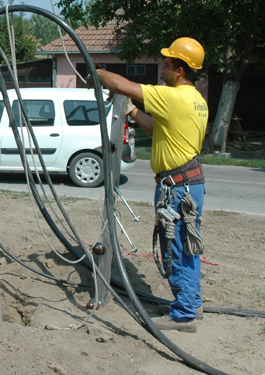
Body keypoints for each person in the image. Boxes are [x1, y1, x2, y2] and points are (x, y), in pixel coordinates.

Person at [96, 37, 208, 333]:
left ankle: (183, 316)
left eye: (168, 64)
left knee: (176, 249)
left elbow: (119, 85)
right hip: (190, 183)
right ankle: (192, 303)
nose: (163, 68)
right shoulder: (196, 101)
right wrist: (133, 112)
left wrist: (97, 72)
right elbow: (159, 128)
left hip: (177, 188)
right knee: (189, 247)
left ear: (181, 70)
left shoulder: (173, 97)